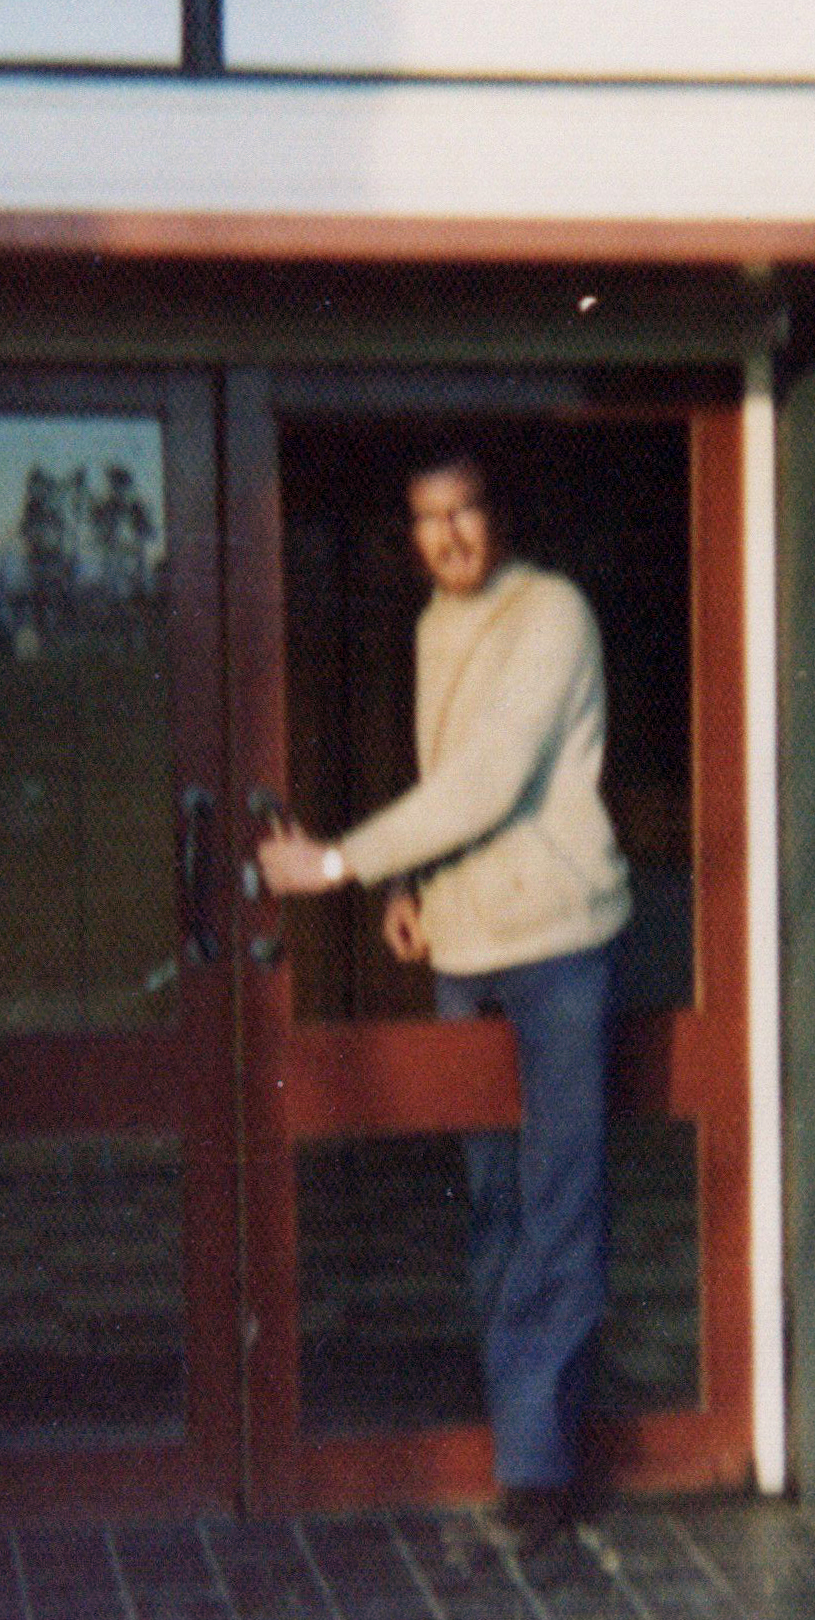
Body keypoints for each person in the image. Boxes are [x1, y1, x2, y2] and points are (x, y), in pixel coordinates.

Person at [256, 446, 631, 1555]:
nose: (450, 535)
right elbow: (446, 777)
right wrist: (417, 885)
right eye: (427, 518)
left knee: (560, 1202)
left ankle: (536, 1470)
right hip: (466, 949)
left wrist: (339, 865)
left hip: (560, 943)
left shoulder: (550, 611)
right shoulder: (431, 627)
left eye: (467, 510)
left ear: (498, 515)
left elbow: (494, 775)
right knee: (493, 1203)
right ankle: (525, 1432)